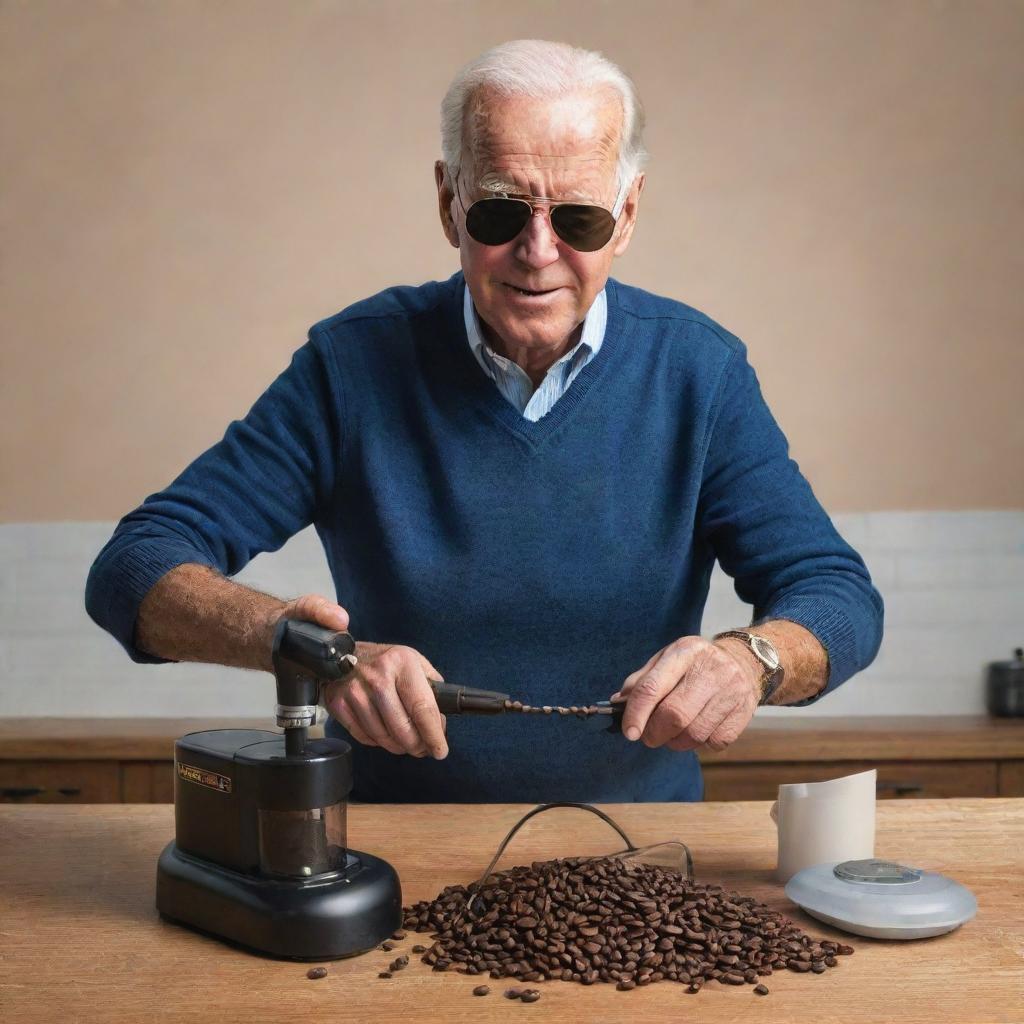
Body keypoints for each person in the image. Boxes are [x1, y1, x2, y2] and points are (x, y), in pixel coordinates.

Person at [86, 39, 883, 803]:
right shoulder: (351, 367)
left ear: (628, 214)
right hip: (399, 850)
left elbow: (836, 595)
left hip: (639, 858)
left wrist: (752, 661)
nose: (538, 251)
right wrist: (308, 650)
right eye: (501, 212)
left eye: (579, 220)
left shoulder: (700, 374)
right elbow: (133, 570)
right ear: (448, 201)